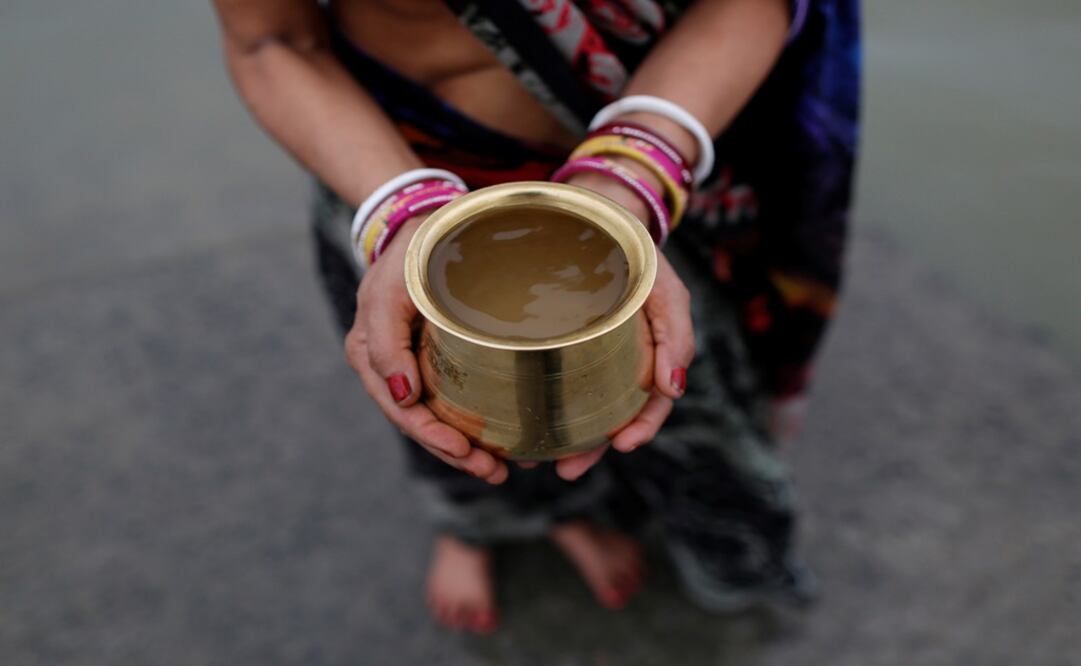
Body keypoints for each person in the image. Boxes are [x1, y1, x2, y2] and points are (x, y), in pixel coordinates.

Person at [212, 0, 860, 635]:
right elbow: (272, 40)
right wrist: (400, 211)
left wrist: (633, 174)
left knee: (685, 399)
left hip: (671, 141)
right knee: (448, 402)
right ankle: (499, 523)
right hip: (393, 161)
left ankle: (716, 559)